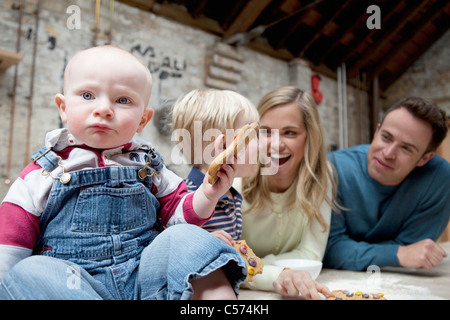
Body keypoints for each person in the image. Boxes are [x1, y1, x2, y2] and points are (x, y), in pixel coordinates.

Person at [0, 45, 247, 300]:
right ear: (63, 107)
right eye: (87, 95)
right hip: (76, 284)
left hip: (144, 279)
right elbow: (10, 241)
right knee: (28, 271)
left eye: (122, 100)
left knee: (188, 238)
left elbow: (179, 214)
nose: (104, 109)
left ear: (142, 120)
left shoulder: (148, 165)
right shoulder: (41, 173)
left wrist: (208, 193)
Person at [235, 86, 339, 300]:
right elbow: (225, 259)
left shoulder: (321, 175)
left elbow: (311, 254)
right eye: (265, 132)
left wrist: (257, 265)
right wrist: (279, 274)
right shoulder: (236, 178)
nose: (275, 144)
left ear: (309, 137)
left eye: (290, 132)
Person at [324, 97, 450, 271]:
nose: (388, 153)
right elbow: (329, 250)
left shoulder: (440, 179)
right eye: (386, 137)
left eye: (406, 148)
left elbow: (417, 252)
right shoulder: (334, 168)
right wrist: (397, 254)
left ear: (425, 158)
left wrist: (353, 251)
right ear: (376, 132)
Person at [171, 88, 259, 245]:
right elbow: (170, 244)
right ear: (224, 146)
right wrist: (205, 243)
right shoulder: (185, 197)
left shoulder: (232, 194)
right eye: (251, 137)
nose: (260, 146)